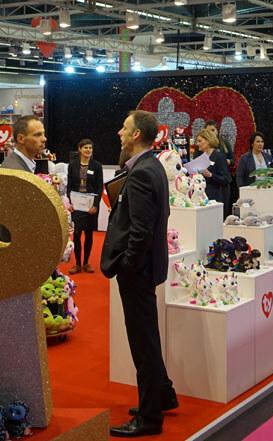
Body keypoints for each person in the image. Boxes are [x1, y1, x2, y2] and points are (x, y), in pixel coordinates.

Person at [101, 110, 177, 437]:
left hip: (139, 272)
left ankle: (149, 417)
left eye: (124, 127)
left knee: (143, 343)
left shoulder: (143, 172)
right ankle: (163, 395)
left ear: (135, 135)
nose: (119, 132)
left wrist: (128, 265)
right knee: (148, 337)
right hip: (145, 269)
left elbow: (141, 230)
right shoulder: (151, 166)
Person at [66, 139, 103, 275]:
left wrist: (95, 205)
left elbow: (99, 187)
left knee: (89, 234)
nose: (88, 150)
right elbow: (69, 186)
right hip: (76, 205)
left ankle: (86, 263)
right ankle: (77, 264)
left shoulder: (97, 166)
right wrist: (70, 203)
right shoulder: (73, 165)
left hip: (90, 206)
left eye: (90, 148)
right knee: (76, 234)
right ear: (80, 149)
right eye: (85, 147)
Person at [194, 129, 230, 207]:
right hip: (201, 198)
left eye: (200, 141)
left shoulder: (219, 157)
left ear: (208, 141)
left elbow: (225, 179)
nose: (197, 144)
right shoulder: (200, 158)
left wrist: (211, 175)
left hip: (214, 198)